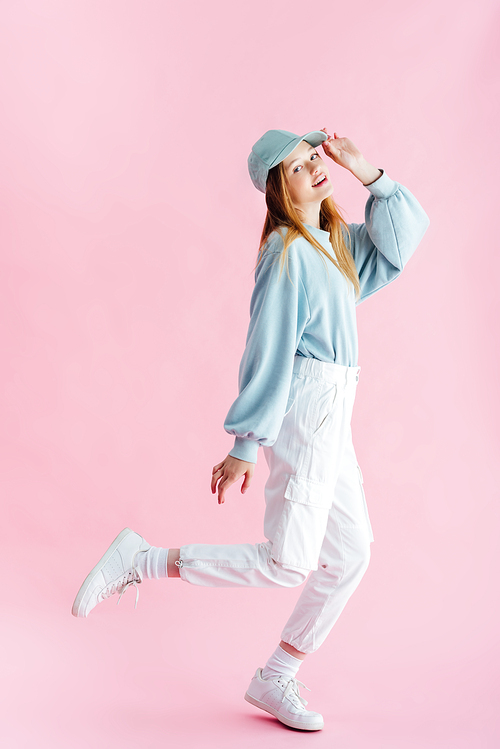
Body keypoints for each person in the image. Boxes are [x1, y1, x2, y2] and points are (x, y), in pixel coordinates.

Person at [72, 128, 430, 732]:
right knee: (290, 563)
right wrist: (246, 442)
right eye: (296, 167)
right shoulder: (288, 252)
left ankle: (274, 677)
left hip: (335, 415)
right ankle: (144, 559)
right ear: (278, 190)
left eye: (313, 156)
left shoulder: (334, 243)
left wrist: (367, 171)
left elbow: (403, 241)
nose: (313, 167)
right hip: (306, 412)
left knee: (349, 555)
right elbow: (268, 351)